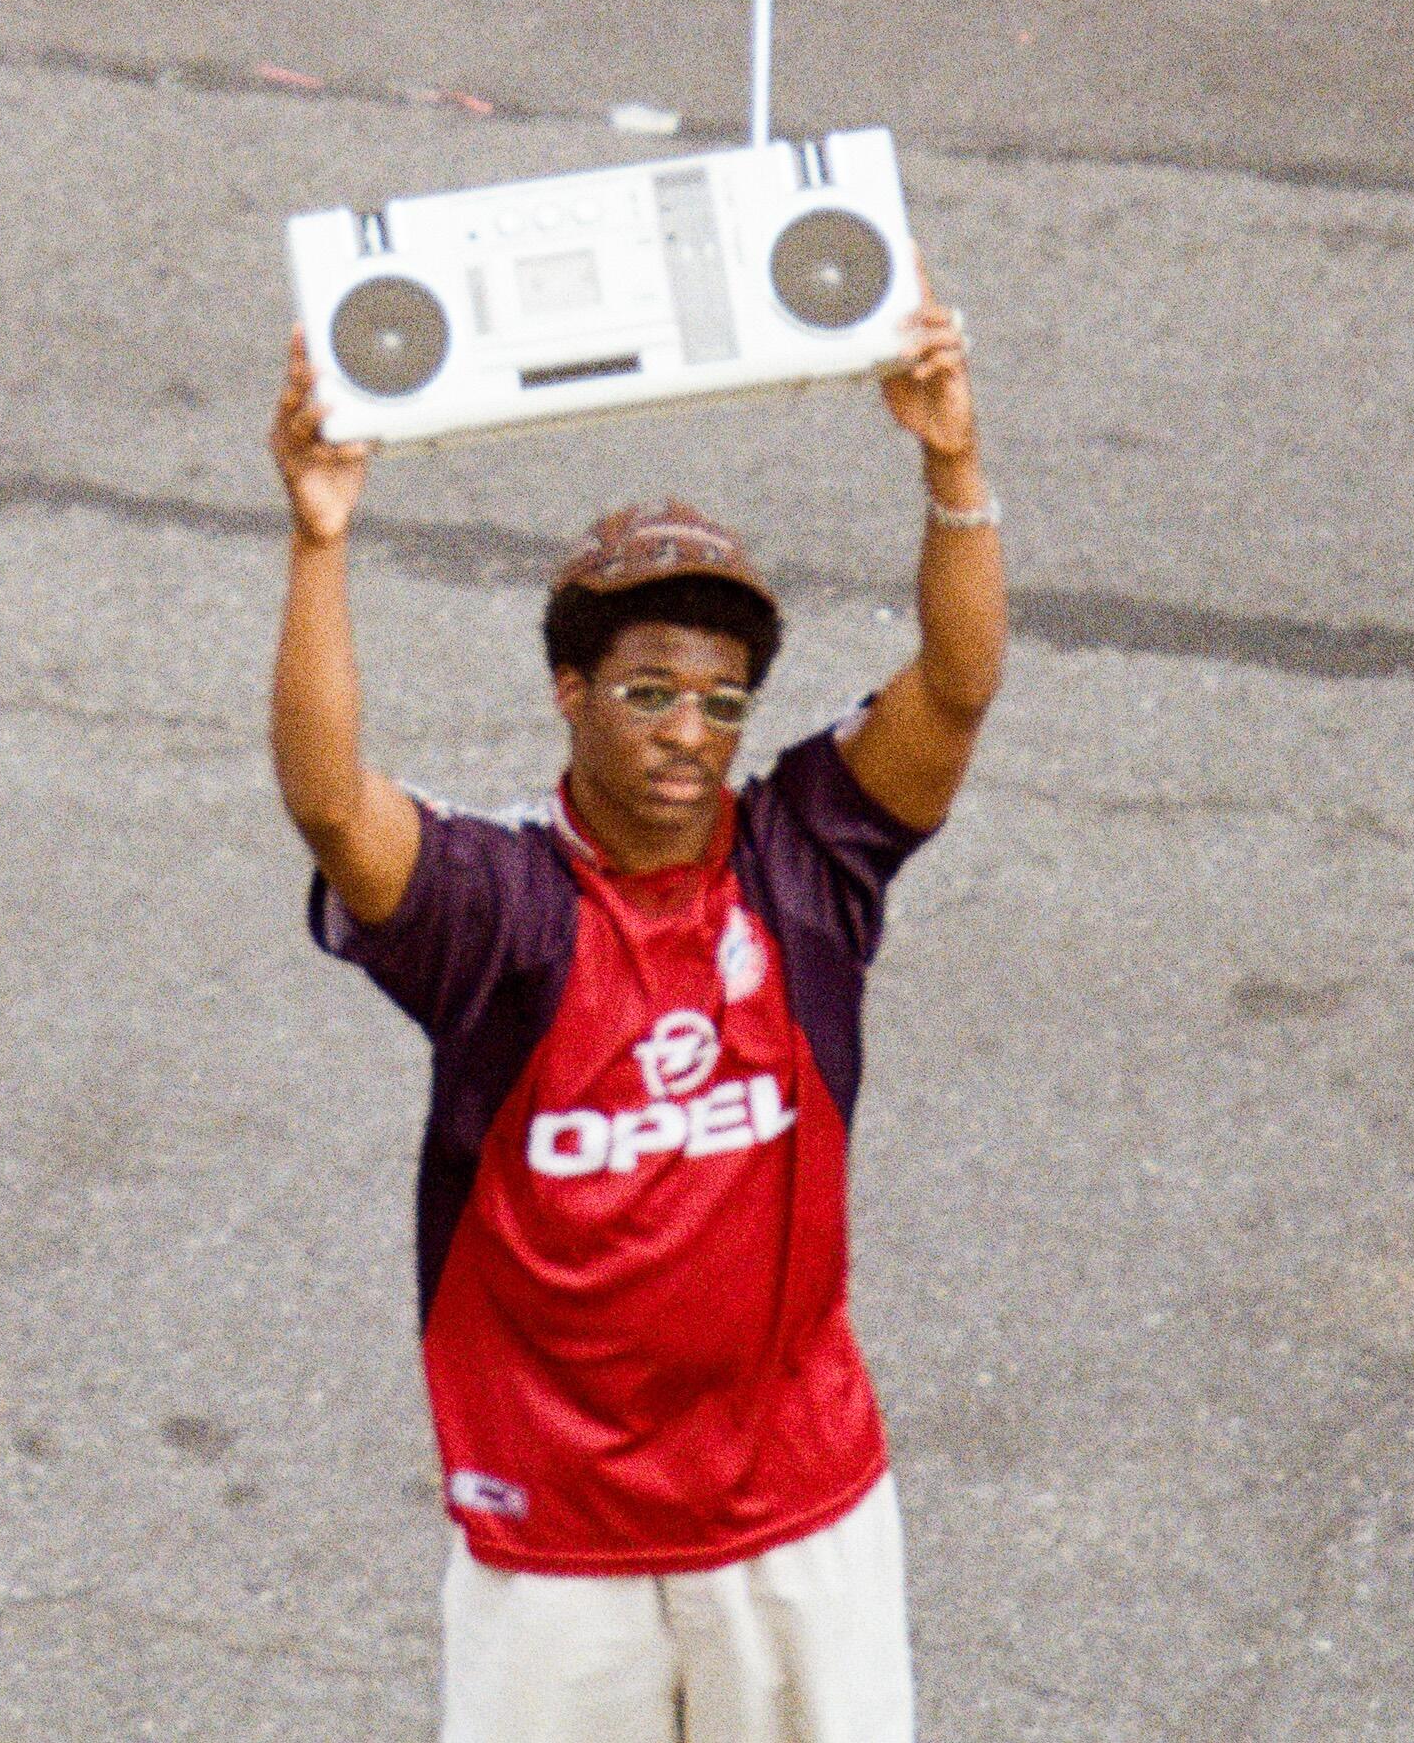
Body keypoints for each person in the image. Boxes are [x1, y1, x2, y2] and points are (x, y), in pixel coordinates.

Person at [266, 278, 1004, 1743]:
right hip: (556, 1539)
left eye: (722, 705)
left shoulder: (806, 863)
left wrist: (952, 465)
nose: (688, 734)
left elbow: (959, 688)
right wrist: (319, 540)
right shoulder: (501, 911)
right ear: (570, 690)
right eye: (649, 691)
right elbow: (333, 805)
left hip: (796, 1516)